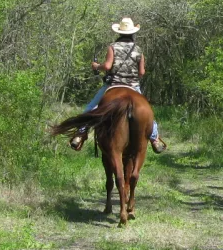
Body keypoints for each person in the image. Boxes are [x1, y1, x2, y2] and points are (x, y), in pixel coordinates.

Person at [69, 17, 166, 154]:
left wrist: (97, 66)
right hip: (133, 86)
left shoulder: (113, 47)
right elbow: (142, 72)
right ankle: (155, 139)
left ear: (119, 32)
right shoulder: (138, 49)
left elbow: (108, 66)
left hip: (114, 84)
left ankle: (80, 134)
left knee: (91, 108)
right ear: (132, 32)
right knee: (148, 111)